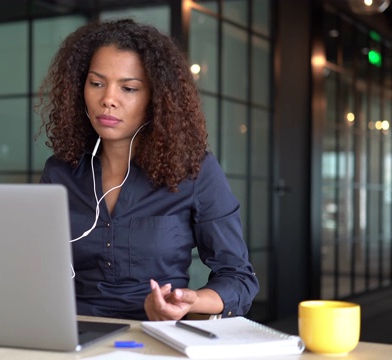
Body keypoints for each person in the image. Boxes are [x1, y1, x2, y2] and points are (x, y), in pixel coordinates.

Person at [36, 18, 259, 321]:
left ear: (156, 98)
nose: (108, 100)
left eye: (128, 88)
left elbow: (239, 278)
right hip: (71, 332)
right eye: (97, 83)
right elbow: (36, 269)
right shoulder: (60, 172)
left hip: (157, 334)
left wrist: (189, 301)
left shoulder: (194, 170)